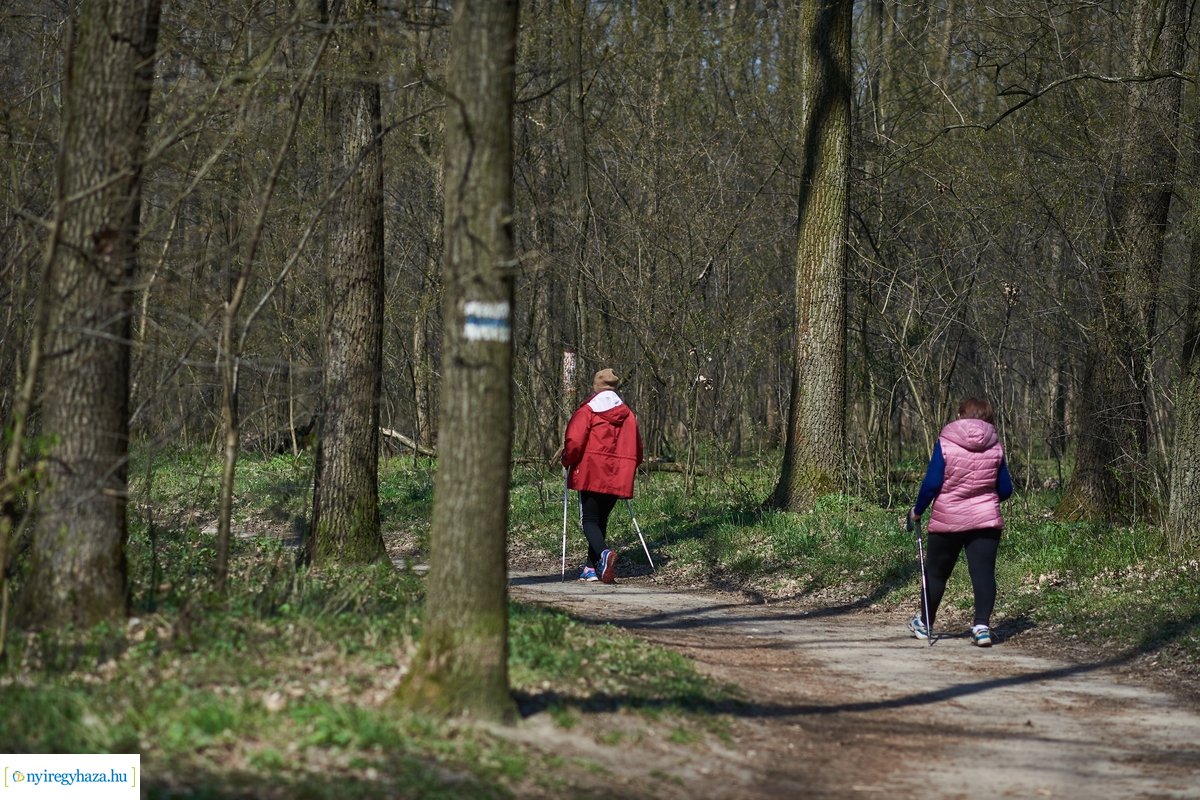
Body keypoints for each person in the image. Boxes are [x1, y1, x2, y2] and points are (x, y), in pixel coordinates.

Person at [907, 396, 1013, 647]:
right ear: (988, 418)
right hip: (986, 521)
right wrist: (983, 499)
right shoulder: (996, 446)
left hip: (948, 519)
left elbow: (932, 483)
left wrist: (918, 510)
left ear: (960, 416)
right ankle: (982, 627)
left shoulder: (946, 443)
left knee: (936, 574)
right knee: (983, 574)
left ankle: (924, 623)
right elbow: (1006, 489)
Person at [562, 368, 643, 584]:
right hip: (619, 475)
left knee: (588, 520)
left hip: (591, 472)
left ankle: (604, 554)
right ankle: (591, 568)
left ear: (596, 387)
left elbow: (574, 442)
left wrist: (567, 459)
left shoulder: (588, 411)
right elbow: (638, 449)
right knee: (601, 519)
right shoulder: (628, 415)